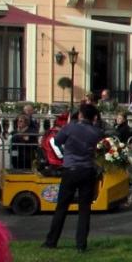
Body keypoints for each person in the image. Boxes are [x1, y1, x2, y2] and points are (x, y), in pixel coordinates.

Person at [42, 103, 103, 252]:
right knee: (84, 209)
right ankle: (81, 244)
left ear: (81, 115)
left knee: (62, 207)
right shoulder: (96, 132)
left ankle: (52, 241)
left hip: (71, 169)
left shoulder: (71, 127)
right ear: (94, 117)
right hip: (87, 170)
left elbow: (56, 141)